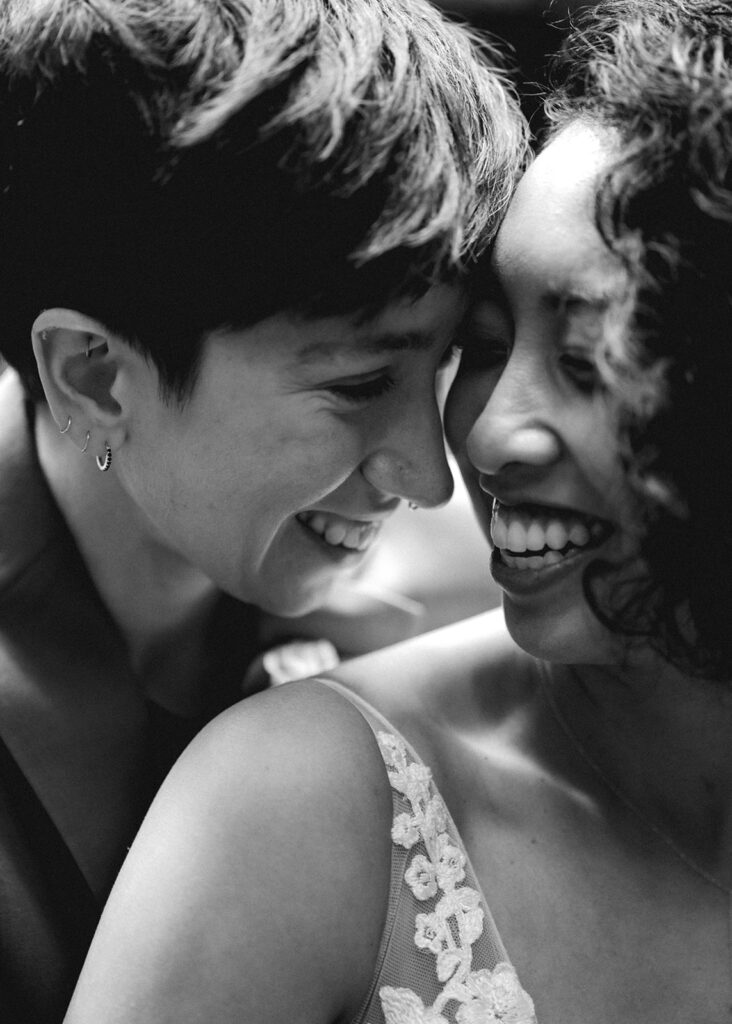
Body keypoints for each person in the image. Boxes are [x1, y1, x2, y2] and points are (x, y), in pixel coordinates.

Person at [64, 1, 732, 1021]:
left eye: (590, 360)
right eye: (493, 342)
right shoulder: (299, 791)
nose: (462, 456)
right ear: (91, 379)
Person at [0, 2, 528, 1020]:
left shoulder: (469, 594)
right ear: (96, 376)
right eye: (360, 382)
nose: (431, 479)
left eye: (451, 360)